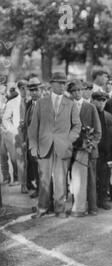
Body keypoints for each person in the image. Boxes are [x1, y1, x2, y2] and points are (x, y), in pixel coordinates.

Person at [29, 72, 81, 219]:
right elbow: (33, 127)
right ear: (52, 84)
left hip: (62, 147)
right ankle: (42, 208)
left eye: (64, 83)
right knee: (44, 179)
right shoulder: (41, 103)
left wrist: (68, 140)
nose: (63, 86)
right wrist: (33, 147)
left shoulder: (70, 104)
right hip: (44, 147)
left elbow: (77, 126)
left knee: (60, 180)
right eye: (59, 83)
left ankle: (60, 209)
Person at [68, 80, 102, 217]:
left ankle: (93, 207)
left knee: (91, 178)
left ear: (83, 91)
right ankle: (76, 206)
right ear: (70, 93)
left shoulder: (90, 107)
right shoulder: (68, 107)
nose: (77, 93)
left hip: (89, 149)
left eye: (79, 90)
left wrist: (90, 145)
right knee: (75, 178)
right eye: (73, 91)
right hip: (73, 149)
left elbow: (98, 131)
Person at [2, 80, 28, 193]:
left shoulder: (31, 101)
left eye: (27, 88)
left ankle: (31, 182)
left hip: (31, 134)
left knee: (32, 160)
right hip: (19, 135)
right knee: (21, 159)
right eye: (23, 88)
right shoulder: (12, 103)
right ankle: (23, 184)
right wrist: (13, 131)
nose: (26, 90)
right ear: (20, 89)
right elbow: (5, 119)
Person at [93, 91, 112, 211]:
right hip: (94, 149)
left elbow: (111, 135)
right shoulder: (91, 113)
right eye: (99, 100)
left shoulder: (108, 116)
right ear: (93, 101)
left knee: (105, 177)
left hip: (106, 151)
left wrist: (111, 151)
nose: (101, 103)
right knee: (94, 177)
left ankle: (103, 200)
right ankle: (93, 200)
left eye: (103, 100)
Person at [24, 77, 43, 198]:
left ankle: (44, 191)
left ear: (40, 89)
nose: (34, 93)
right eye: (31, 90)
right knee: (35, 166)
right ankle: (38, 188)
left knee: (43, 167)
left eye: (36, 90)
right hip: (32, 142)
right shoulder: (29, 104)